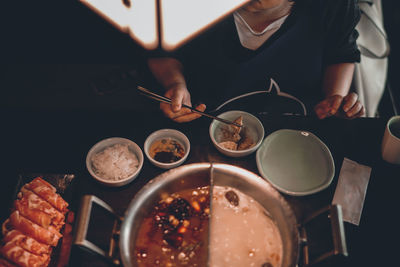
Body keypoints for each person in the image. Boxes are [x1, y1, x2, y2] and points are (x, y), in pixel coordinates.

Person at [147, 0, 365, 122]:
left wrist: (334, 99)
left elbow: (341, 54)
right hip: (202, 122)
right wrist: (175, 84)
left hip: (298, 130)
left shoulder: (334, 7)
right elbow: (161, 52)